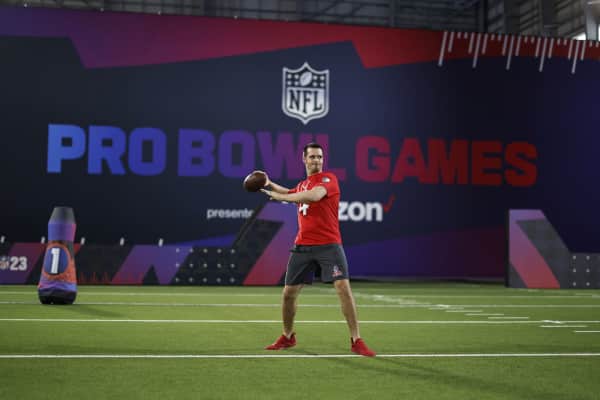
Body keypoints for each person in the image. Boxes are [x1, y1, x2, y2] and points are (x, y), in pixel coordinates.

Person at [259, 142, 376, 357]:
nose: (317, 160)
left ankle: (356, 340)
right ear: (304, 159)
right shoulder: (302, 184)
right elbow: (292, 192)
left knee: (343, 288)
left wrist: (280, 198)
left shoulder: (328, 179)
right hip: (303, 245)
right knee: (288, 294)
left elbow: (313, 196)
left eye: (320, 157)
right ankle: (288, 336)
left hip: (328, 245)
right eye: (312, 157)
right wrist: (269, 184)